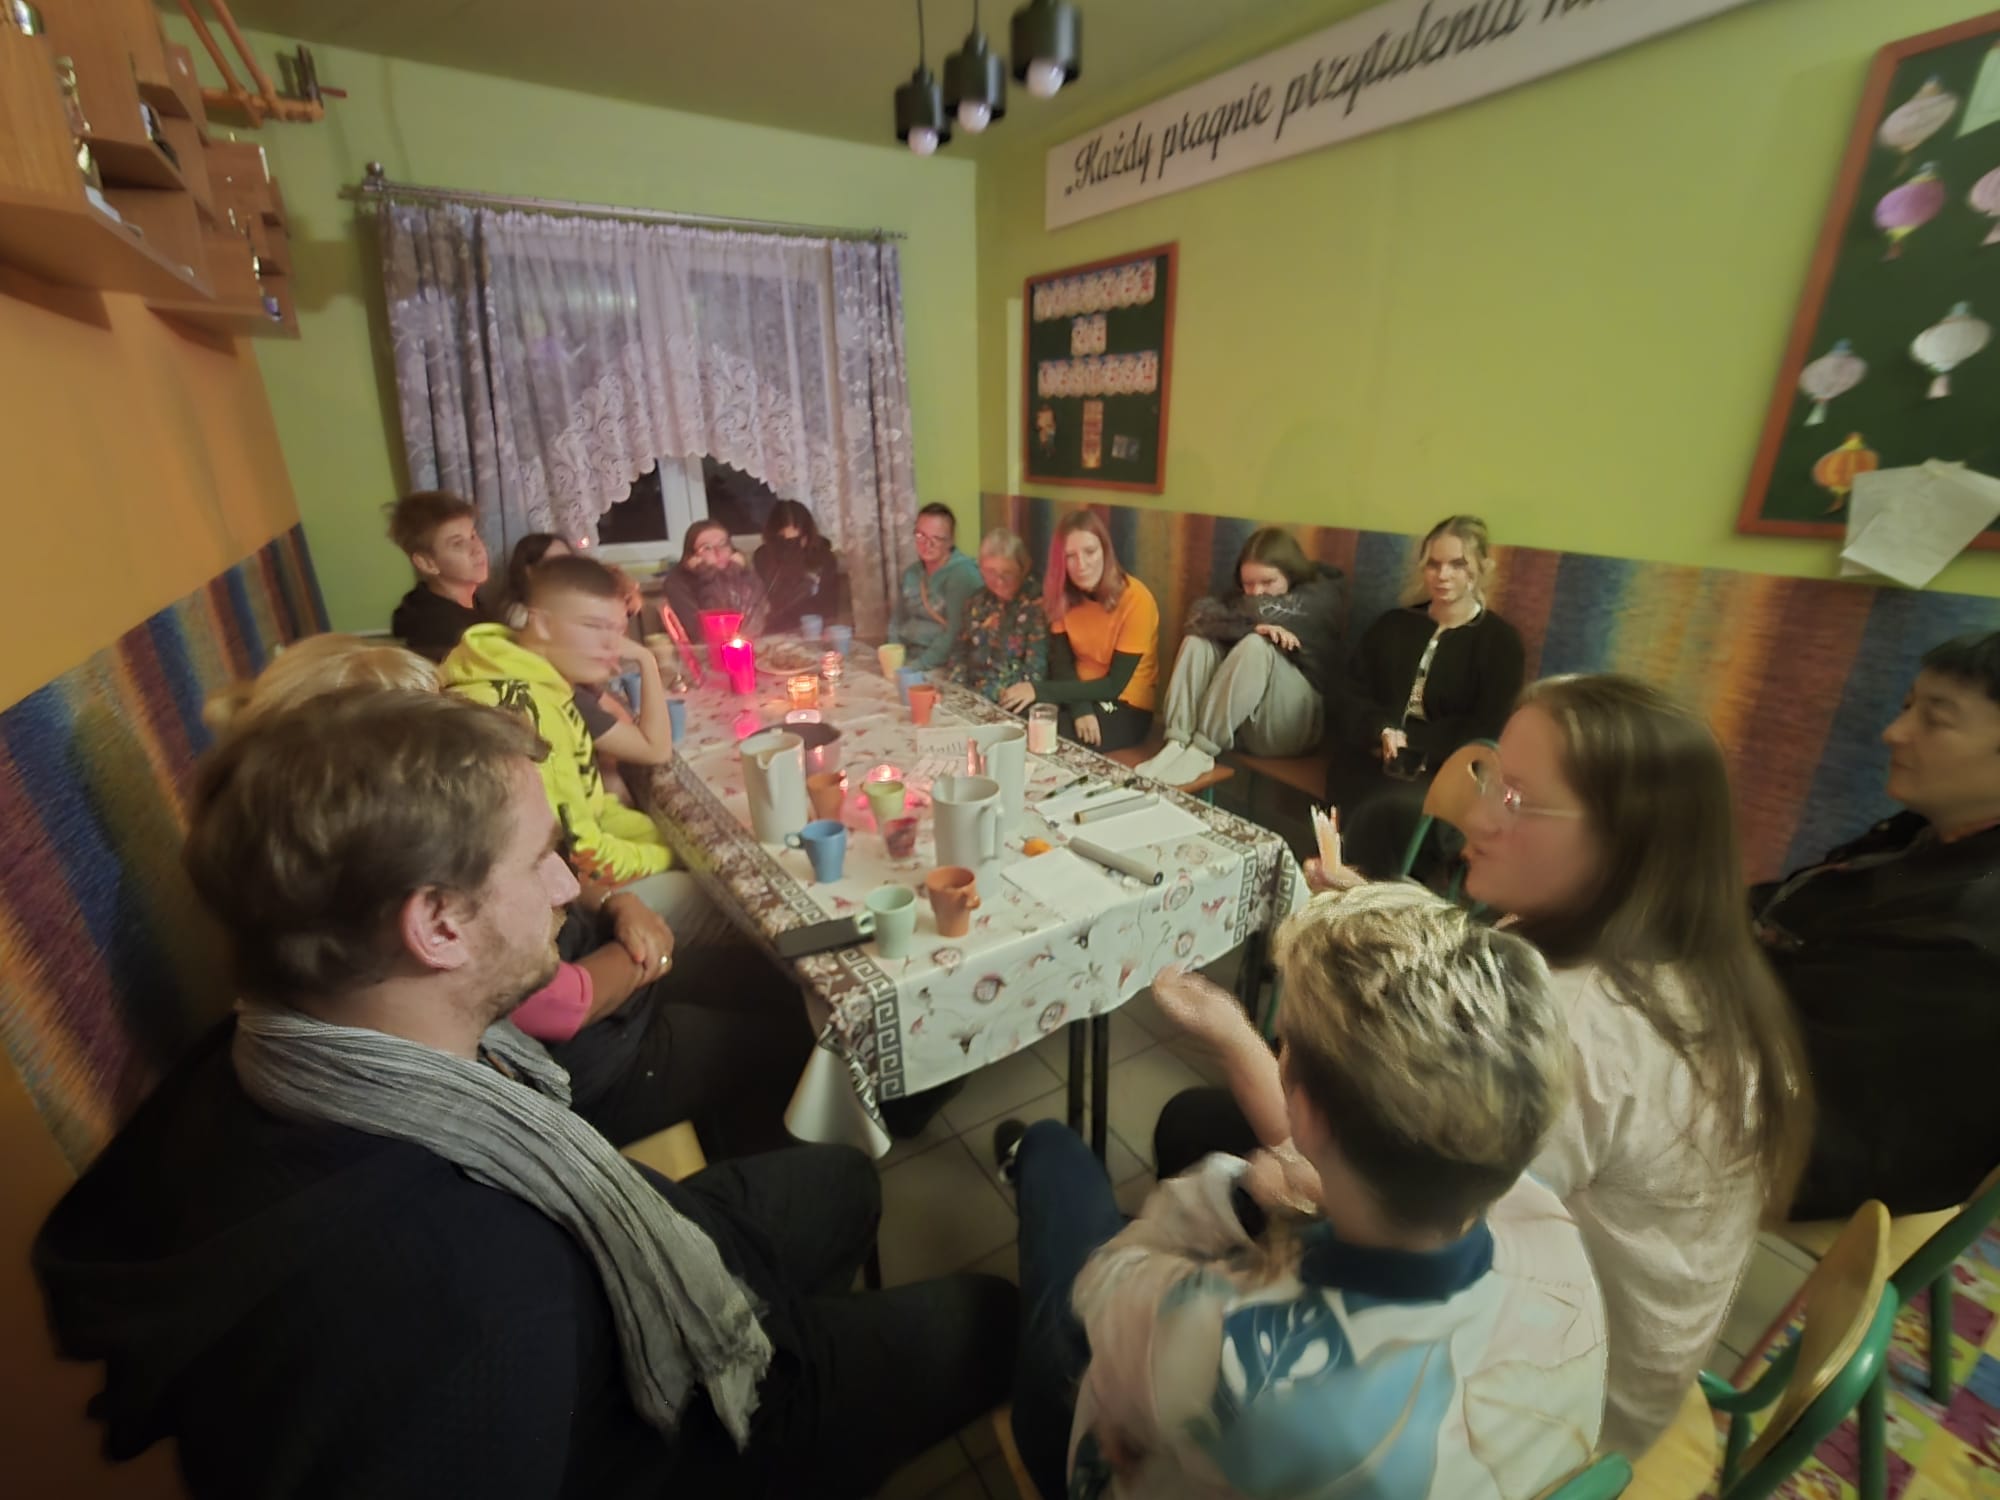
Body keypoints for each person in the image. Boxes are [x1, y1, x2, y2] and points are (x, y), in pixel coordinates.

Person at [34, 690, 1017, 1498]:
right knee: (995, 1320)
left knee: (844, 1180)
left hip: (652, 1258)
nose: (562, 885)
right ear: (438, 925)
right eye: (538, 857)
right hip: (679, 1428)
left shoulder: (260, 1053)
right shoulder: (466, 1309)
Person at [1157, 674, 1814, 1459]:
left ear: (1621, 841)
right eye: (1492, 776)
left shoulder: (1575, 1031)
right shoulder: (1682, 955)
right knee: (1203, 1125)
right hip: (1577, 1328)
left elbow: (1383, 1202)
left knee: (1203, 1149)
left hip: (1542, 1416)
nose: (1475, 815)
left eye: (1517, 799)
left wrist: (1231, 1033)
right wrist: (1365, 899)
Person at [1000, 885, 1606, 1500]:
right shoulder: (1552, 1234)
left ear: (1305, 1116)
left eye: (1282, 1040)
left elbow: (1104, 1287)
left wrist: (1235, 1193)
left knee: (1056, 1159)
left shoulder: (1233, 1352)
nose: (1279, 1052)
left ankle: (1027, 1156)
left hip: (1120, 1448)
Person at [210, 633, 798, 1158]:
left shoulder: (392, 850)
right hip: (601, 1056)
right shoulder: (396, 894)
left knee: (763, 980)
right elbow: (556, 1004)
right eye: (430, 730)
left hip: (609, 990)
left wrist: (616, 903)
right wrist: (648, 954)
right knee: (775, 1029)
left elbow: (558, 875)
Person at [1759, 630, 2000, 1220]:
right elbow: (1781, 911)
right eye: (1906, 707)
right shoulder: (1922, 836)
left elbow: (1809, 1095)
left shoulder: (1969, 931)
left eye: (1935, 720)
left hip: (1797, 1151)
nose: (1894, 733)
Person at [440, 554, 676, 884]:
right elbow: (584, 856)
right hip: (541, 888)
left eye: (618, 630)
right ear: (541, 624)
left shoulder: (540, 679)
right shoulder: (527, 712)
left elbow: (589, 806)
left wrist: (665, 842)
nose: (612, 645)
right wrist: (671, 857)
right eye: (593, 626)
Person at [1327, 515, 1523, 876]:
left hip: (1446, 770)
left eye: (1457, 564)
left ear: (1481, 568)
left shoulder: (1500, 643)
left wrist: (1413, 745)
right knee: (1351, 790)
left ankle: (1373, 892)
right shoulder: (1393, 624)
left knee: (1392, 810)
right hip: (1373, 754)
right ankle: (1341, 878)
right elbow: (1349, 691)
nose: (1443, 575)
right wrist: (1382, 729)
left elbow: (1487, 725)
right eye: (1434, 564)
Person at [1136, 527, 1345, 785]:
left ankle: (1202, 751)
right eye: (1248, 584)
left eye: (1268, 582)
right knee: (1198, 641)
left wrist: (1250, 627)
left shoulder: (1320, 597)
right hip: (1242, 722)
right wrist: (1251, 626)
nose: (1256, 592)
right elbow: (1197, 616)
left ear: (1291, 575)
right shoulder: (1244, 600)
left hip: (1292, 727)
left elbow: (1257, 611)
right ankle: (1177, 742)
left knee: (1256, 645)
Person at [999, 510, 1160, 752]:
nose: (1081, 565)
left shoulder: (1137, 600)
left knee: (1044, 735)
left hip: (1125, 704)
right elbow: (1062, 664)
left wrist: (1037, 690)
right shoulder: (1063, 596)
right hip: (1077, 693)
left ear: (1105, 551)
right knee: (1014, 718)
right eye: (1070, 556)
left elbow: (1114, 685)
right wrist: (1081, 709)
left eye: (1090, 552)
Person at [386, 491, 495, 662]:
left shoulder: (473, 605)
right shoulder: (438, 631)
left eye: (473, 536)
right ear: (426, 563)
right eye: (458, 543)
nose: (477, 549)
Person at [949, 528, 1050, 703]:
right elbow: (959, 653)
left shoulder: (1037, 605)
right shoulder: (976, 602)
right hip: (970, 696)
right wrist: (956, 690)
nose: (999, 580)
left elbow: (1036, 673)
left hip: (1011, 700)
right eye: (990, 571)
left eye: (1007, 573)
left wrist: (985, 698)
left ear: (1023, 568)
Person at [890, 502, 982, 671]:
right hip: (907, 657)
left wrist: (916, 667)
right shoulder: (911, 573)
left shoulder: (962, 575)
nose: (927, 544)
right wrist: (893, 655)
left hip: (944, 665)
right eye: (921, 536)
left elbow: (954, 633)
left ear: (950, 541)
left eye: (936, 538)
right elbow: (897, 620)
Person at [752, 501, 850, 635]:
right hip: (776, 630)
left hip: (815, 630)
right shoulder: (763, 557)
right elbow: (775, 600)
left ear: (807, 535)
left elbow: (829, 606)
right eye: (784, 541)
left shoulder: (824, 557)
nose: (791, 546)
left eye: (797, 539)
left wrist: (827, 631)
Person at [661, 519, 766, 643]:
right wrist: (708, 578)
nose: (718, 553)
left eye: (723, 544)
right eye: (707, 548)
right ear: (693, 557)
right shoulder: (678, 583)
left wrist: (733, 575)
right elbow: (706, 633)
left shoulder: (743, 573)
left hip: (749, 645)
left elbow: (755, 623)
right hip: (703, 650)